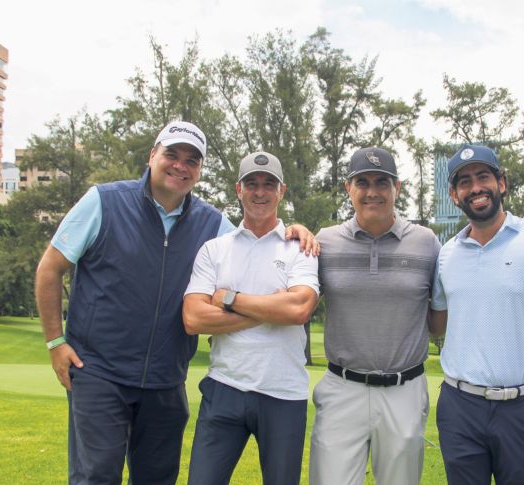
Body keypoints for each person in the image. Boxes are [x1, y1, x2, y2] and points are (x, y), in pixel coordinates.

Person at [34, 121, 317, 485]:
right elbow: (49, 269)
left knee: (156, 478)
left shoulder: (211, 223)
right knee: (97, 476)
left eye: (192, 160)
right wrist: (55, 342)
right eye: (172, 154)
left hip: (165, 382)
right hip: (100, 372)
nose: (180, 166)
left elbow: (258, 232)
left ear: (199, 171)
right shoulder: (104, 201)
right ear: (153, 155)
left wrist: (294, 230)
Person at [429, 144, 524, 485]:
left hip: (522, 407)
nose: (475, 188)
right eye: (464, 182)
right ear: (455, 196)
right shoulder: (446, 254)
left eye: (483, 177)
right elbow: (436, 323)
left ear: (502, 183)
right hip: (459, 406)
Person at [182, 151, 319, 485]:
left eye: (268, 184)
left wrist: (229, 299)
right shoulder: (214, 249)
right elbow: (193, 318)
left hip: (283, 394)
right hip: (224, 388)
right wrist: (271, 308)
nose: (260, 192)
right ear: (238, 189)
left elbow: (299, 309)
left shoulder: (301, 247)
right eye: (252, 184)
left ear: (281, 190)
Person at [309, 147, 442, 485]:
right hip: (342, 388)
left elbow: (441, 315)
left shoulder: (427, 243)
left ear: (397, 187)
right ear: (347, 188)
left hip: (405, 390)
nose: (372, 192)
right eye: (362, 182)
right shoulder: (324, 241)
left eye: (382, 182)